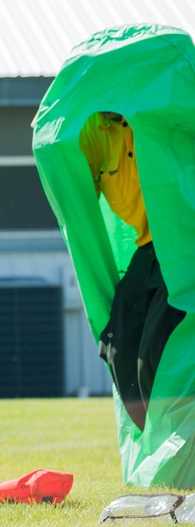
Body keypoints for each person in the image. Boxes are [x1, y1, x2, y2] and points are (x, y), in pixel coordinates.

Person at [79, 111, 186, 430]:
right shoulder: (90, 132)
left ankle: (177, 432)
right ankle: (155, 432)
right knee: (117, 342)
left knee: (159, 342)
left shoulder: (161, 103)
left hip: (185, 238)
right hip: (150, 243)